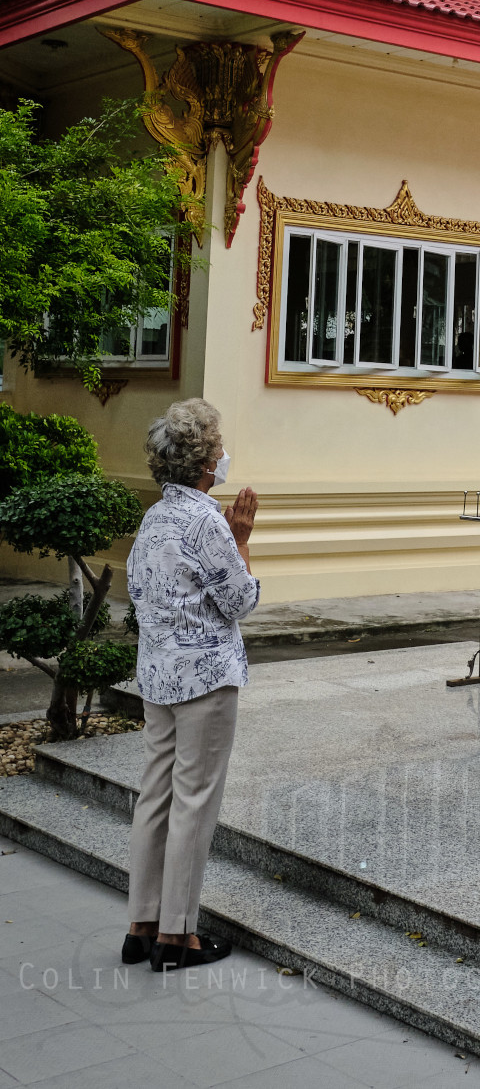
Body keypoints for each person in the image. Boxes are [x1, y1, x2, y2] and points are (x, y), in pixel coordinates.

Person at [122, 398, 259, 972]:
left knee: (156, 796)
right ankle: (177, 937)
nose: (224, 454)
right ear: (204, 462)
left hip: (158, 675)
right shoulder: (206, 521)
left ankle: (141, 926)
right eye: (218, 445)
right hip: (204, 679)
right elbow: (241, 599)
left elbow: (137, 590)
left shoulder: (155, 516)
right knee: (194, 802)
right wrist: (242, 537)